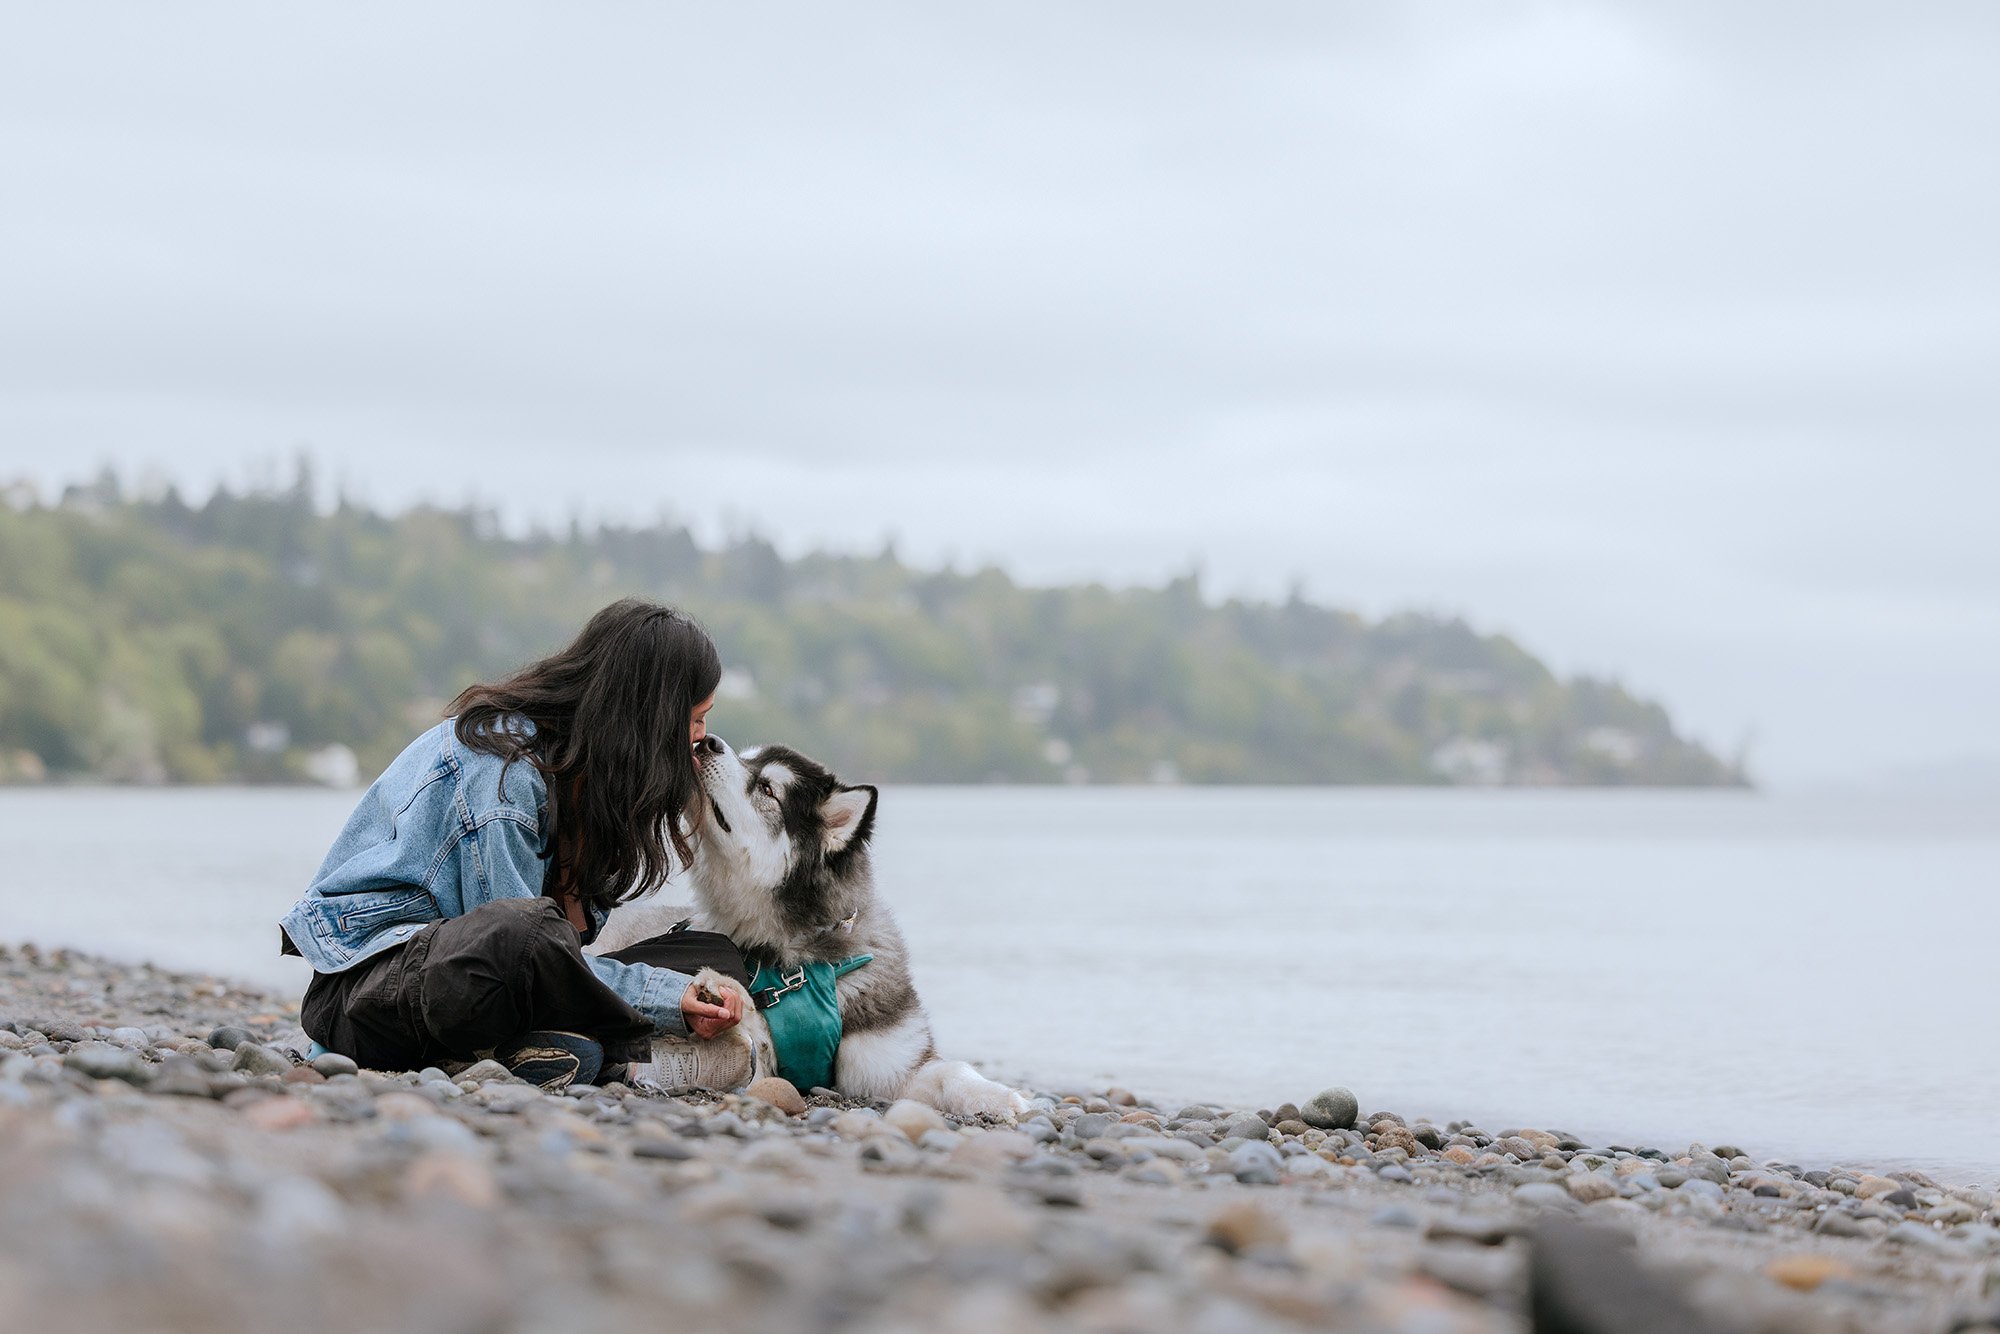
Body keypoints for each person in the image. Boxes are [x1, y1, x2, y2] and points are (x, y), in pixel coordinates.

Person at [280, 598, 746, 1090]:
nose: (701, 742)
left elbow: (556, 956)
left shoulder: (588, 786)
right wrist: (665, 997)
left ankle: (539, 1052)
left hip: (492, 989)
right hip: (370, 996)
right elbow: (524, 953)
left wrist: (688, 988)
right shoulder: (502, 773)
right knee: (524, 931)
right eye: (695, 721)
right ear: (648, 721)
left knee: (714, 954)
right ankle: (602, 1053)